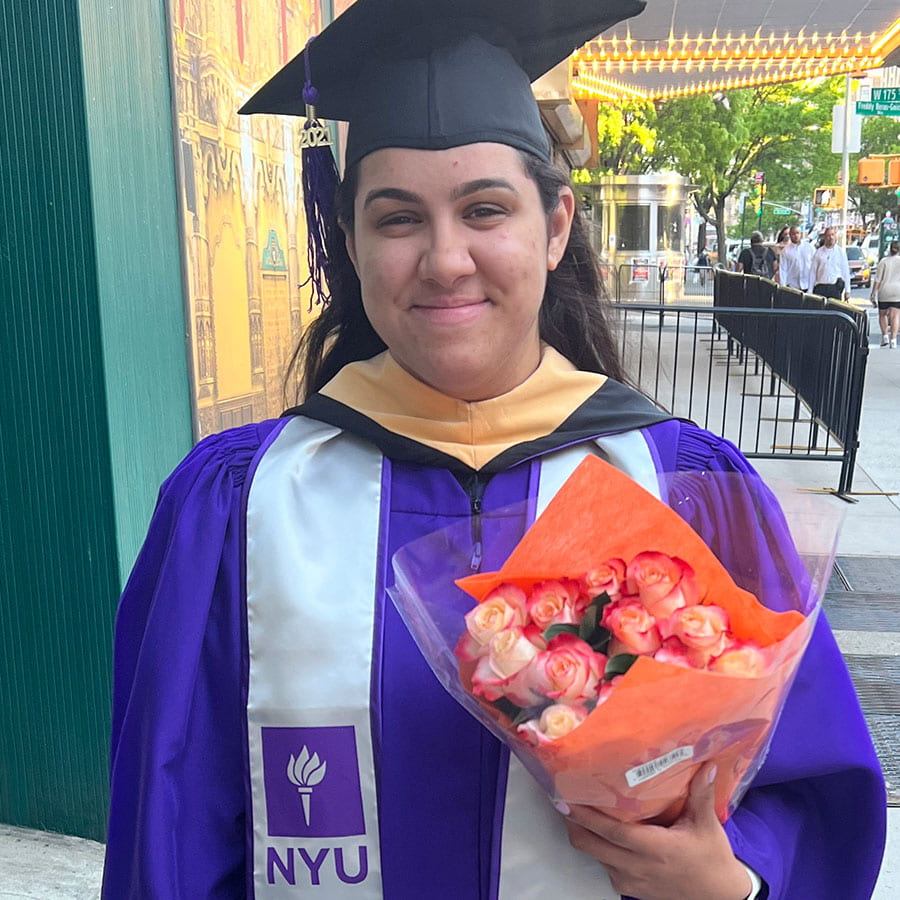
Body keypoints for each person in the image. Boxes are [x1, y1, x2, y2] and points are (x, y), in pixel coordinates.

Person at [101, 1, 887, 898]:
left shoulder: (685, 488)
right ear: (349, 241)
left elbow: (807, 797)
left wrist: (737, 882)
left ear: (555, 227)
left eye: (485, 210)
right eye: (397, 219)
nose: (444, 260)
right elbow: (167, 835)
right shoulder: (238, 504)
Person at [871, 239, 900, 348]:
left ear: (890, 249)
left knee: (882, 314)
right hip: (897, 291)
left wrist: (873, 293)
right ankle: (893, 340)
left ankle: (885, 337)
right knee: (895, 315)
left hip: (884, 291)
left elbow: (878, 279)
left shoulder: (883, 261)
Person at [810, 226, 851, 300]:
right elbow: (813, 272)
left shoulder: (840, 252)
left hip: (834, 288)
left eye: (832, 235)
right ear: (825, 237)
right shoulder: (818, 253)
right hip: (820, 287)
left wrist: (847, 290)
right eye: (828, 235)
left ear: (835, 237)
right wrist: (810, 290)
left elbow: (845, 272)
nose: (831, 237)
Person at [778, 225, 815, 292]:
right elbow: (783, 269)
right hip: (793, 286)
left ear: (800, 234)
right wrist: (783, 287)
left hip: (808, 285)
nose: (796, 236)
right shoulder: (786, 251)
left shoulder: (810, 248)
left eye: (797, 233)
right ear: (790, 235)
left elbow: (815, 265)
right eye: (793, 234)